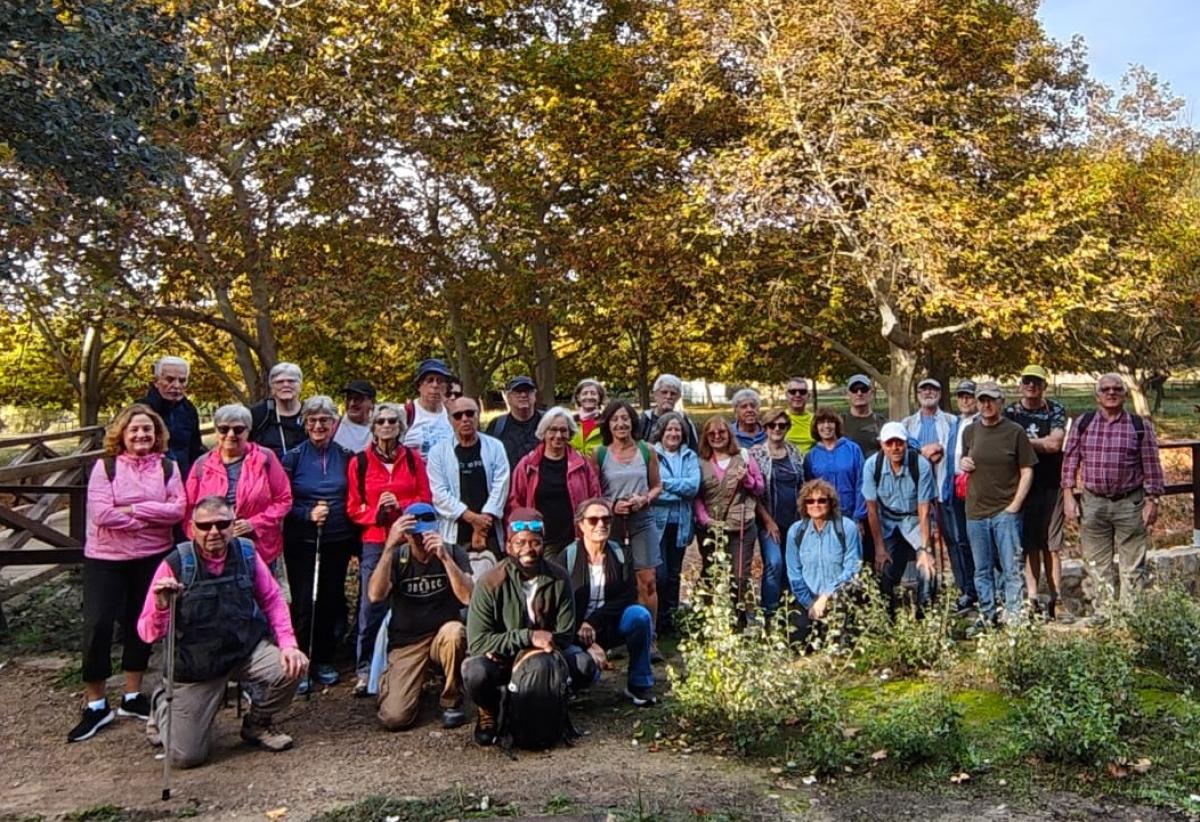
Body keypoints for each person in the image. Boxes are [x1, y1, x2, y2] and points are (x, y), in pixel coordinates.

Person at [138, 497, 307, 767]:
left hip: (244, 650)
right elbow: (147, 633)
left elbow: (273, 599)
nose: (214, 532)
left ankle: (258, 723)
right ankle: (161, 703)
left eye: (222, 524)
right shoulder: (176, 563)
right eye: (205, 526)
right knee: (186, 758)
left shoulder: (247, 553)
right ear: (192, 528)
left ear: (233, 524)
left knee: (293, 666)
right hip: (197, 666)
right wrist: (161, 605)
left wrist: (288, 643)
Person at [68, 404, 187, 743]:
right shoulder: (105, 467)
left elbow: (177, 509)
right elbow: (102, 513)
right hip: (106, 557)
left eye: (147, 430)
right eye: (134, 429)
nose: (141, 435)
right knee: (98, 624)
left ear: (157, 434)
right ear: (121, 433)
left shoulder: (168, 467)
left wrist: (133, 509)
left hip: (152, 556)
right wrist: (151, 516)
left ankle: (133, 695)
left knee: (143, 622)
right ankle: (96, 702)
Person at [462, 508, 578, 747]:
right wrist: (528, 637)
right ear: (508, 545)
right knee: (475, 672)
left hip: (544, 657)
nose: (528, 549)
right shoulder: (489, 582)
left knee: (585, 665)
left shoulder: (559, 577)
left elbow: (566, 634)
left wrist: (532, 650)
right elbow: (477, 642)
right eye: (521, 542)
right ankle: (488, 710)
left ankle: (550, 702)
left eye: (535, 542)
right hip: (500, 661)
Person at [1061, 373, 1165, 618]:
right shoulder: (1083, 423)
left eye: (1117, 389)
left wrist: (1153, 501)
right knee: (1097, 565)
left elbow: (1152, 466)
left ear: (1124, 394)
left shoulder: (1139, 426)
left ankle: (1131, 618)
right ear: (1097, 395)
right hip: (1093, 503)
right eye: (1105, 389)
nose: (1111, 393)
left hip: (1130, 503)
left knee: (1132, 567)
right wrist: (1068, 495)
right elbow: (1070, 461)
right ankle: (1105, 615)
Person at [347, 403, 433, 694]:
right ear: (373, 427)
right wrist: (376, 512)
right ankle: (364, 667)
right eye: (381, 421)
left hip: (410, 536)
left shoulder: (412, 460)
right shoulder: (359, 462)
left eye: (392, 421)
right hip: (375, 540)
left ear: (400, 427)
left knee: (411, 598)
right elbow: (352, 508)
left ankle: (408, 662)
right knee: (372, 603)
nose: (386, 425)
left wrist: (402, 506)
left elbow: (425, 497)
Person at [367, 502, 473, 730]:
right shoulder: (397, 557)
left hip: (441, 636)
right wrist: (388, 548)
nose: (422, 540)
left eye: (426, 533)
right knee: (394, 718)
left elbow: (468, 598)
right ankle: (402, 686)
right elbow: (375, 595)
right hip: (407, 641)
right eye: (416, 536)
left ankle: (451, 700)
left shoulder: (453, 552)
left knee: (456, 632)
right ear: (407, 535)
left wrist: (445, 559)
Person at [280, 396, 356, 692]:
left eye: (324, 420)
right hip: (302, 539)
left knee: (329, 598)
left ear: (334, 423)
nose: (318, 425)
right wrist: (307, 513)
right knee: (303, 601)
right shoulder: (294, 457)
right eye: (312, 420)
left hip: (336, 537)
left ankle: (324, 658)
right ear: (305, 424)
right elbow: (284, 500)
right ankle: (301, 661)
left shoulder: (346, 456)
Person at [557, 498, 657, 706]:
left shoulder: (621, 554)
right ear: (581, 524)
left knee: (640, 616)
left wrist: (593, 622)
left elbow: (628, 596)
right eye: (593, 520)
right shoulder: (567, 558)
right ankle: (572, 681)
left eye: (606, 520)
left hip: (609, 623)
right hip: (574, 629)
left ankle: (639, 684)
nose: (600, 525)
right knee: (585, 672)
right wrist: (586, 637)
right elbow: (560, 606)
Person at [960, 382, 1036, 631]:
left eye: (991, 399)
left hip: (1005, 510)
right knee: (982, 569)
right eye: (982, 400)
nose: (986, 404)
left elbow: (1027, 470)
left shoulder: (1015, 432)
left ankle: (1014, 616)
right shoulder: (970, 431)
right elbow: (966, 458)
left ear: (1001, 401)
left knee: (1011, 567)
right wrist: (964, 461)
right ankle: (987, 615)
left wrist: (1015, 505)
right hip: (976, 511)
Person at [591, 400, 663, 646]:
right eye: (615, 419)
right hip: (610, 524)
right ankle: (612, 638)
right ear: (608, 425)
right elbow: (594, 492)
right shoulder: (599, 454)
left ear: (633, 422)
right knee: (612, 581)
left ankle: (649, 638)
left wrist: (644, 499)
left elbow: (657, 486)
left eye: (625, 418)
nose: (621, 424)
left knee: (647, 580)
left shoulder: (647, 450)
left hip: (642, 520)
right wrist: (611, 506)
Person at [185, 404, 292, 567]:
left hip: (258, 548)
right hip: (213, 550)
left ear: (248, 431)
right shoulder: (202, 464)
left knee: (261, 591)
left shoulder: (266, 459)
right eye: (223, 429)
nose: (230, 434)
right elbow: (188, 510)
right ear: (216, 431)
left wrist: (254, 523)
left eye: (238, 429)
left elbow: (284, 499)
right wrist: (200, 540)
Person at [1004, 365, 1067, 619]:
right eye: (1027, 381)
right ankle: (1032, 598)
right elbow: (1003, 444)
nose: (1032, 386)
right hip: (1021, 486)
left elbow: (1055, 444)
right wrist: (1037, 445)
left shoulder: (1055, 409)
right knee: (1030, 545)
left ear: (1044, 386)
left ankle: (1056, 597)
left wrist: (1021, 443)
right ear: (1021, 384)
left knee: (1052, 545)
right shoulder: (1010, 411)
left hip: (1051, 484)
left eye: (1037, 382)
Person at [861, 422, 937, 615]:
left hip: (914, 520)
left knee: (927, 569)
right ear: (882, 445)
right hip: (887, 521)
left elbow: (924, 508)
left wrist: (926, 548)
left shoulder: (920, 465)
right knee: (884, 568)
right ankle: (888, 618)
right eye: (889, 443)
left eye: (899, 443)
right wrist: (879, 547)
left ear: (906, 443)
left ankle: (925, 616)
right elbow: (871, 509)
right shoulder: (872, 466)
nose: (895, 448)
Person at [508, 407, 602, 559]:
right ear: (544, 433)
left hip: (576, 538)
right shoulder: (527, 465)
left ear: (569, 433)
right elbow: (515, 503)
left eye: (563, 430)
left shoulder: (582, 465)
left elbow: (595, 498)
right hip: (541, 541)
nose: (558, 435)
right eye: (553, 430)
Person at [694, 415, 764, 618]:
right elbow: (696, 496)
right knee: (710, 572)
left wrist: (747, 480)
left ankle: (740, 619)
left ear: (729, 434)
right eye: (712, 433)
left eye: (722, 432)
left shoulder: (743, 456)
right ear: (706, 437)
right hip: (710, 528)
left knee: (740, 574)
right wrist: (706, 520)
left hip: (741, 525)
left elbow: (760, 488)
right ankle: (707, 618)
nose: (717, 436)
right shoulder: (700, 462)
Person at [427, 396, 511, 557]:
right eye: (458, 416)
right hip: (455, 531)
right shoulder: (437, 452)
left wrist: (483, 522)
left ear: (478, 415)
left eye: (470, 413)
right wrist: (473, 519)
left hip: (490, 529)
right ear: (450, 420)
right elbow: (439, 493)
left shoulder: (495, 447)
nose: (465, 419)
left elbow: (501, 485)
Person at [785, 479, 862, 645]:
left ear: (831, 503)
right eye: (810, 501)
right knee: (799, 643)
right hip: (808, 597)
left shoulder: (847, 528)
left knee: (838, 645)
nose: (816, 505)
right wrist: (809, 604)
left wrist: (826, 596)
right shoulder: (795, 532)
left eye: (822, 500)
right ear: (804, 505)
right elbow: (794, 573)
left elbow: (852, 569)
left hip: (838, 594)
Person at [901, 378, 960, 583]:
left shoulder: (953, 422)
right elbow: (902, 452)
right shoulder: (906, 424)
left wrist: (939, 450)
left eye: (933, 389)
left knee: (953, 539)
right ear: (917, 395)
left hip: (944, 488)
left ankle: (959, 586)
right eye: (923, 389)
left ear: (940, 394)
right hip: (917, 492)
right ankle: (927, 585)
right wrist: (923, 451)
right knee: (922, 538)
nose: (928, 392)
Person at [749, 408, 805, 621]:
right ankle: (769, 614)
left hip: (794, 521)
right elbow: (753, 493)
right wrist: (768, 520)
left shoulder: (795, 452)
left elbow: (804, 486)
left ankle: (790, 611)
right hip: (768, 520)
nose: (777, 429)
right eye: (773, 425)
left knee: (792, 565)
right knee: (774, 563)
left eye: (782, 425)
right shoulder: (756, 454)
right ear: (765, 428)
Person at [648, 412, 700, 635]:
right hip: (656, 525)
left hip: (680, 524)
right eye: (669, 429)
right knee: (659, 573)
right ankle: (656, 620)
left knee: (674, 573)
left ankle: (670, 621)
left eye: (677, 429)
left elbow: (693, 487)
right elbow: (652, 491)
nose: (673, 433)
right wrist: (675, 489)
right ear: (661, 431)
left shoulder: (689, 456)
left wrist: (664, 485)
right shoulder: (651, 454)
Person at [137, 356, 204, 479]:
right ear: (156, 381)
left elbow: (195, 447)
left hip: (185, 478)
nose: (176, 385)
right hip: (148, 480)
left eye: (182, 381)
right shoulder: (140, 410)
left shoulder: (188, 409)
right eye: (170, 379)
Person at [802, 409, 866, 530]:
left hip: (851, 516)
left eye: (830, 422)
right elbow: (808, 491)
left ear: (836, 425)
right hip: (823, 519)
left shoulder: (853, 450)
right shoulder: (811, 456)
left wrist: (859, 517)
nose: (826, 426)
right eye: (821, 422)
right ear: (816, 427)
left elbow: (861, 483)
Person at [949, 379, 980, 613]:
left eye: (969, 395)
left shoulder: (983, 423)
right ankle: (969, 590)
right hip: (956, 487)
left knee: (981, 540)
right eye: (961, 396)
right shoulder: (954, 423)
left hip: (979, 488)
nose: (965, 400)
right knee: (961, 541)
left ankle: (989, 589)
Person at [485, 375, 545, 469]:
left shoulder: (548, 422)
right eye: (518, 391)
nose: (523, 395)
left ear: (535, 395)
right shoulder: (497, 426)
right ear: (508, 397)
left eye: (528, 391)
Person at [250, 362, 307, 459]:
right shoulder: (258, 415)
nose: (286, 385)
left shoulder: (312, 414)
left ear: (300, 386)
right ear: (272, 388)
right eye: (279, 382)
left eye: (291, 381)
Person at [403, 358, 455, 459]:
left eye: (440, 381)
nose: (435, 385)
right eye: (430, 380)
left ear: (446, 387)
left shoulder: (452, 413)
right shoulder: (407, 413)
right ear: (419, 386)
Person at [639, 374, 699, 454]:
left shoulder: (684, 420)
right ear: (655, 394)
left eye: (673, 393)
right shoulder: (644, 420)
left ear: (678, 397)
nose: (668, 396)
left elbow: (694, 449)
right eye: (664, 392)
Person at [842, 375, 888, 460]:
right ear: (848, 393)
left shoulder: (883, 423)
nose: (859, 393)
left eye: (864, 389)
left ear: (871, 392)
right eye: (854, 390)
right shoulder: (839, 422)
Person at [333, 379, 376, 453]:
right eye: (348, 399)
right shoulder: (334, 427)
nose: (352, 403)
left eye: (358, 399)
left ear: (372, 402)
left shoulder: (380, 430)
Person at [569, 378, 607, 457]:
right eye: (585, 393)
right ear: (578, 397)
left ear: (599, 397)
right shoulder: (570, 422)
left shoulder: (606, 422)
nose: (589, 397)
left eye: (593, 393)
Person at [783, 377, 815, 454]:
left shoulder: (816, 420)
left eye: (802, 392)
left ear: (808, 395)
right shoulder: (778, 420)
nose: (797, 395)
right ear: (786, 395)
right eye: (793, 391)